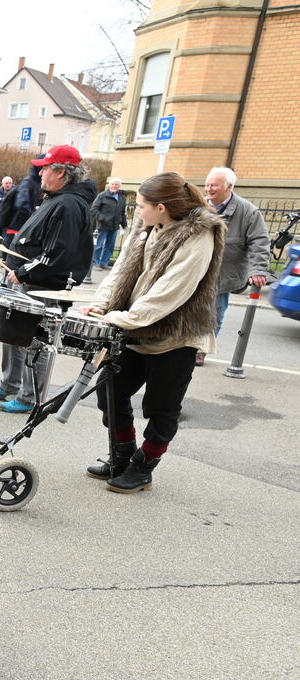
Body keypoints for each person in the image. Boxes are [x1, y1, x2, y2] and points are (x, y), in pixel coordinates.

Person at [78, 172, 223, 492]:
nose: (137, 211)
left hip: (175, 337)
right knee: (109, 391)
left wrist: (122, 318)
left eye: (142, 205)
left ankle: (144, 467)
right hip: (132, 329)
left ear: (161, 207)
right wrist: (101, 306)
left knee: (162, 408)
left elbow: (171, 291)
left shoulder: (198, 235)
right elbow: (119, 271)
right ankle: (122, 454)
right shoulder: (145, 227)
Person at [0, 145, 95, 414]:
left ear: (61, 173)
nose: (40, 173)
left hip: (43, 285)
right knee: (12, 334)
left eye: (45, 168)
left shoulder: (68, 205)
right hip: (27, 280)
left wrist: (23, 273)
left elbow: (57, 254)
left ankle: (29, 398)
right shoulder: (57, 199)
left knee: (36, 342)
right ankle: (10, 384)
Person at [195, 166, 270, 366]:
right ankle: (186, 345)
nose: (208, 189)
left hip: (224, 272)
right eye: (207, 185)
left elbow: (259, 241)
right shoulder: (198, 206)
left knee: (215, 313)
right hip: (197, 270)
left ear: (229, 187)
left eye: (214, 185)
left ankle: (201, 350)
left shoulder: (247, 211)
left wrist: (258, 269)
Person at [89, 178, 127, 284]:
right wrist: (103, 218)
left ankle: (104, 263)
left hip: (114, 226)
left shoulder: (121, 197)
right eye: (113, 184)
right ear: (110, 185)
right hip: (102, 225)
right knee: (99, 245)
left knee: (110, 246)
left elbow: (122, 213)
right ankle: (95, 263)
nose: (114, 186)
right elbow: (94, 209)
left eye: (116, 184)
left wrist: (124, 225)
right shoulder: (102, 196)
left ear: (119, 186)